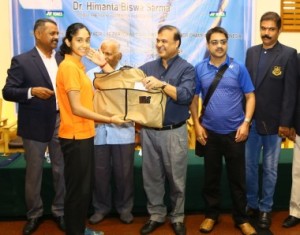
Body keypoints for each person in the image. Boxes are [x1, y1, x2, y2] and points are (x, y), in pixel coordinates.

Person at [56, 23, 127, 235]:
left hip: (85, 134)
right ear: (68, 42)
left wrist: (102, 63)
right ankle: (76, 232)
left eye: (87, 40)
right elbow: (77, 108)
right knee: (78, 191)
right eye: (79, 40)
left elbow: (115, 84)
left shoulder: (79, 66)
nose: (85, 44)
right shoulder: (68, 68)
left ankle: (78, 228)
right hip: (75, 136)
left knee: (82, 190)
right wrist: (109, 119)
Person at [190, 26, 256, 235]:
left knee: (237, 179)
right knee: (211, 178)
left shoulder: (239, 68)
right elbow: (194, 99)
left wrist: (246, 123)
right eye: (214, 42)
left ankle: (242, 219)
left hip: (235, 134)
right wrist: (197, 125)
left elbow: (250, 97)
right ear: (208, 45)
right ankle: (211, 215)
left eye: (223, 42)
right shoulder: (199, 68)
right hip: (209, 134)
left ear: (227, 43)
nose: (219, 46)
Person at [2, 18, 65, 235]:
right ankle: (34, 214)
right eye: (52, 33)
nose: (57, 37)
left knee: (61, 170)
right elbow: (7, 92)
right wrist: (31, 92)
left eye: (57, 33)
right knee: (34, 173)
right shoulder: (21, 60)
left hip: (61, 122)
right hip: (34, 124)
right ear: (38, 34)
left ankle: (60, 211)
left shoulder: (62, 58)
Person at [138, 25, 195, 235]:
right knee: (151, 178)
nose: (160, 44)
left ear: (177, 43)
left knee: (176, 179)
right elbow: (129, 85)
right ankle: (156, 215)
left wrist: (161, 85)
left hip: (174, 132)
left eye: (165, 41)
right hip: (149, 132)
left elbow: (186, 95)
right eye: (158, 40)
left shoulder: (186, 68)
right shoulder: (147, 67)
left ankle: (178, 217)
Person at [245, 11, 298, 230]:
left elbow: (290, 92)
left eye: (271, 29)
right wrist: (244, 120)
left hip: (275, 125)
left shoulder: (288, 54)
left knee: (270, 169)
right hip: (251, 122)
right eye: (263, 28)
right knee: (249, 167)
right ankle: (252, 204)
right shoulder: (251, 52)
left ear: (279, 30)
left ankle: (266, 208)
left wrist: (286, 122)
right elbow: (247, 89)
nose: (266, 33)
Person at [87, 39, 136, 225]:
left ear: (119, 56)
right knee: (99, 174)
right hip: (97, 132)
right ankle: (101, 208)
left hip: (123, 133)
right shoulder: (89, 75)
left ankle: (125, 209)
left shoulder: (128, 74)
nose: (104, 57)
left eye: (109, 54)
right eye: (102, 52)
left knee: (124, 174)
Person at [282, 53, 300, 228]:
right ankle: (296, 212)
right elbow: (291, 93)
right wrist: (289, 123)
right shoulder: (298, 59)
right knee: (298, 173)